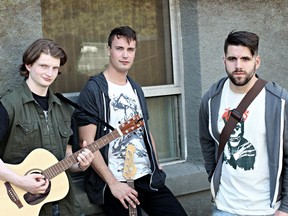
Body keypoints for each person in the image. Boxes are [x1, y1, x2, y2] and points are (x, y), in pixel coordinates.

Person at [73, 26, 188, 216]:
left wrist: (155, 163)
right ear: (108, 50)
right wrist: (113, 184)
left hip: (147, 178)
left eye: (130, 49)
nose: (125, 55)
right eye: (119, 48)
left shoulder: (135, 88)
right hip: (115, 183)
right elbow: (88, 144)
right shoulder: (94, 90)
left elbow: (145, 130)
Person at [0, 38, 95, 216]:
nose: (49, 73)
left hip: (64, 204)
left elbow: (65, 158)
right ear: (28, 65)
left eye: (54, 68)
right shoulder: (7, 105)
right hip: (20, 205)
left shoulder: (64, 107)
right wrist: (21, 181)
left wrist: (81, 165)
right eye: (44, 66)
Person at [199, 30, 288, 216]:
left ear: (257, 61)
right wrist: (214, 178)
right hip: (224, 207)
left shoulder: (278, 101)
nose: (238, 65)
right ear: (224, 60)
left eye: (245, 59)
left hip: (267, 209)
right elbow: (207, 142)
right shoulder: (211, 99)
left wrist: (285, 207)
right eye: (232, 59)